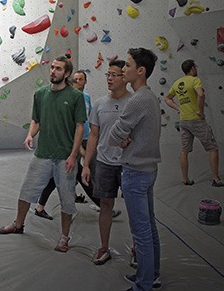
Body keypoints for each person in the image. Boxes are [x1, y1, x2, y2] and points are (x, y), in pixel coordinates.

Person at [0, 56, 87, 253]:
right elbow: (36, 120)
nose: (53, 71)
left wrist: (74, 156)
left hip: (65, 157)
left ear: (67, 73)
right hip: (43, 154)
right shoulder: (40, 94)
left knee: (67, 198)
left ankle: (64, 237)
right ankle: (18, 224)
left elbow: (80, 127)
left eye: (58, 69)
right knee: (26, 190)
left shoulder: (75, 97)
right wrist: (30, 135)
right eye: (52, 68)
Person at [108, 48, 161, 291]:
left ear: (140, 71)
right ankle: (151, 276)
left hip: (136, 172)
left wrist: (121, 137)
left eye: (128, 66)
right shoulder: (150, 97)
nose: (123, 70)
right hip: (147, 170)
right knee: (148, 228)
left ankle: (144, 285)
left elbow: (114, 134)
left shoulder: (138, 99)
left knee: (141, 233)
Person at [82, 60, 131, 265]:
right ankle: (104, 248)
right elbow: (93, 136)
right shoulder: (100, 104)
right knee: (105, 204)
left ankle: (137, 248)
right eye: (107, 74)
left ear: (124, 77)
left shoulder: (134, 102)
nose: (109, 78)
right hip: (104, 163)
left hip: (129, 164)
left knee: (135, 207)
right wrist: (86, 164)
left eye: (114, 74)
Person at [33, 70, 99, 220]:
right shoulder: (68, 99)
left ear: (85, 81)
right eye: (74, 79)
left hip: (86, 138)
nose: (77, 82)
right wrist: (77, 150)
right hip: (72, 142)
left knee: (80, 173)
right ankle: (102, 204)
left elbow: (87, 119)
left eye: (80, 79)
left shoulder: (85, 97)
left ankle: (41, 205)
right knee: (79, 173)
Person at [164, 60, 224, 187]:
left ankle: (185, 179)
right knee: (213, 148)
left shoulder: (177, 83)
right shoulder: (195, 80)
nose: (196, 69)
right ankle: (216, 179)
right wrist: (200, 110)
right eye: (195, 67)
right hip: (196, 120)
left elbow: (167, 98)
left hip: (183, 121)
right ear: (192, 68)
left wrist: (179, 108)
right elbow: (201, 94)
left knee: (184, 150)